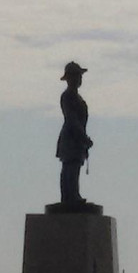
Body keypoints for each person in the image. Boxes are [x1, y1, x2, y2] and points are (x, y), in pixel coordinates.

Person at [56, 61, 93, 204]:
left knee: (75, 166)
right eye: (77, 76)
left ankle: (73, 194)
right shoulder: (67, 96)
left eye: (80, 76)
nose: (79, 79)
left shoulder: (77, 97)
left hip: (76, 138)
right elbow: (71, 119)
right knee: (70, 166)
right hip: (71, 137)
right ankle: (69, 196)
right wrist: (83, 137)